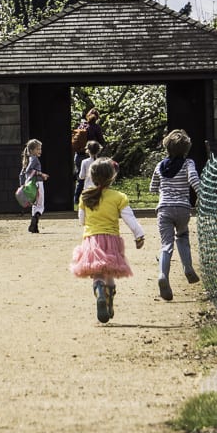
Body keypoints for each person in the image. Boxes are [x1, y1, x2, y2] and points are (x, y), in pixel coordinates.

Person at [70, 158, 145, 323]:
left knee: (97, 272)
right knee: (109, 272)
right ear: (112, 176)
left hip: (92, 240)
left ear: (92, 176)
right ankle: (109, 301)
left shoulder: (86, 196)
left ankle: (99, 291)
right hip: (111, 239)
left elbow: (82, 220)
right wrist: (139, 235)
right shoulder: (118, 197)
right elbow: (130, 219)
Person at [149, 129, 201, 302]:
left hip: (164, 208)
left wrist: (163, 188)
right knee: (183, 236)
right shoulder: (188, 163)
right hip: (183, 208)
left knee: (166, 244)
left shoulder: (159, 166)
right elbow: (193, 179)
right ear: (186, 149)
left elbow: (152, 188)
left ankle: (163, 275)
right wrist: (201, 194)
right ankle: (187, 267)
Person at [20, 138, 49, 233]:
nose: (40, 151)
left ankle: (34, 227)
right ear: (32, 150)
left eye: (40, 149)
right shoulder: (34, 159)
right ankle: (34, 223)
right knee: (40, 206)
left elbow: (23, 173)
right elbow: (29, 170)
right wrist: (41, 174)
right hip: (37, 184)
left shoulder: (27, 159)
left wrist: (22, 185)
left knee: (35, 205)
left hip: (31, 185)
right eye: (38, 149)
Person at [74, 139, 102, 208]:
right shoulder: (101, 161)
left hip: (88, 188)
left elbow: (82, 176)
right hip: (99, 188)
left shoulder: (85, 162)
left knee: (87, 207)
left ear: (88, 150)